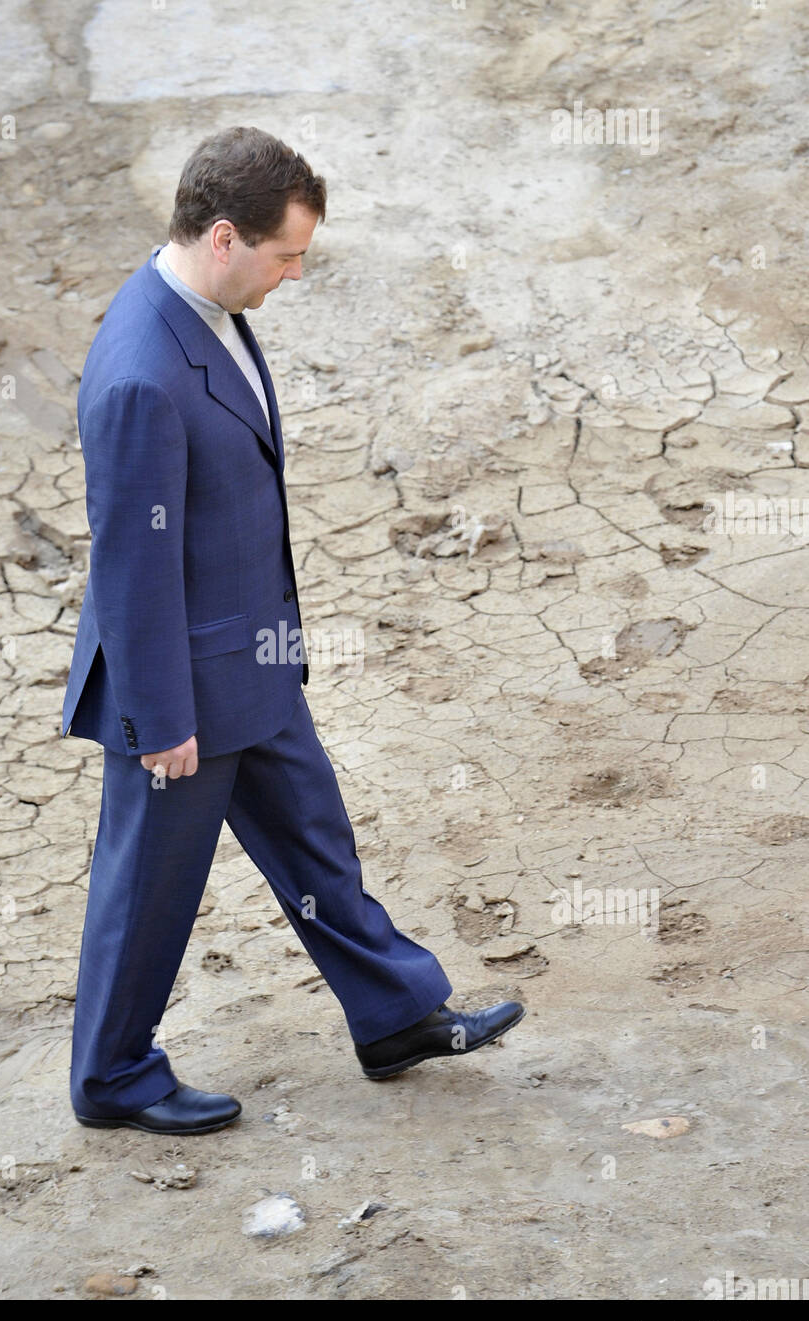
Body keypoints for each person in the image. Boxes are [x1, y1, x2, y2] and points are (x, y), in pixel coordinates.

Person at [60, 126, 525, 1136]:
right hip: (181, 687)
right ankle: (112, 1077)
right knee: (148, 893)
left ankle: (395, 1014)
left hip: (251, 659)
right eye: (286, 255)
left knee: (315, 843)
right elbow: (130, 561)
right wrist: (159, 718)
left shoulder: (208, 310)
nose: (296, 273)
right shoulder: (142, 369)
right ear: (224, 237)